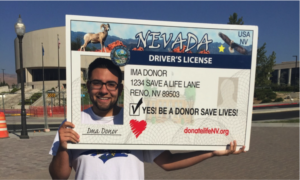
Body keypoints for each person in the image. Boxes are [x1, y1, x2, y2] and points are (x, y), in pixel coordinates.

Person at [49, 58, 246, 180]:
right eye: (97, 83)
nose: (103, 90)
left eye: (111, 84)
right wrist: (63, 149)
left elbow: (167, 162)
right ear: (88, 85)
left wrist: (211, 151)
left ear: (119, 88)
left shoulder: (137, 120)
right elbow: (59, 176)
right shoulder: (73, 123)